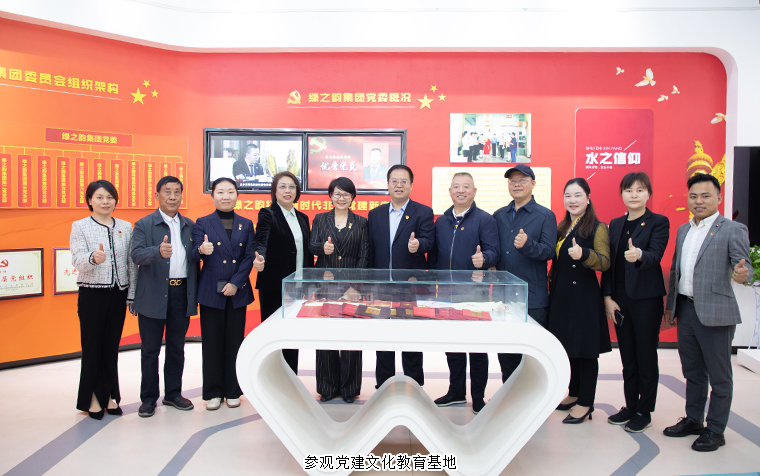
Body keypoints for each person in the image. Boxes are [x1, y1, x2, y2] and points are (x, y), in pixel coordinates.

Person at [662, 174, 752, 452]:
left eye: (705, 196)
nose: (698, 201)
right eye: (693, 196)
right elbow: (676, 271)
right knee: (693, 371)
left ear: (719, 198)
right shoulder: (683, 230)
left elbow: (744, 266)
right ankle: (693, 420)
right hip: (686, 310)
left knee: (720, 376)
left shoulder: (732, 229)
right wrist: (670, 307)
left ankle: (715, 430)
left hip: (716, 313)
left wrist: (742, 274)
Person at [601, 172, 669, 433]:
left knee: (646, 356)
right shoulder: (616, 224)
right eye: (629, 190)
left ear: (648, 194)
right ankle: (630, 406)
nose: (634, 195)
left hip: (646, 301)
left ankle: (644, 410)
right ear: (622, 194)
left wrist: (639, 254)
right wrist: (607, 297)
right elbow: (609, 265)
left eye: (640, 190)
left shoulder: (658, 222)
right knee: (628, 357)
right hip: (620, 301)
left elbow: (655, 255)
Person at [428, 172, 499, 414]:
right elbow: (435, 256)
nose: (461, 190)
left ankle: (478, 398)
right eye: (456, 186)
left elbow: (494, 251)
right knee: (453, 346)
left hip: (474, 293)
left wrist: (484, 258)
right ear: (449, 191)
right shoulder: (441, 221)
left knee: (477, 349)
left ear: (474, 191)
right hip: (446, 294)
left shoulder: (485, 220)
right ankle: (456, 391)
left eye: (466, 186)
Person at [131, 176, 198, 418]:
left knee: (176, 347)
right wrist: (157, 252)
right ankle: (148, 398)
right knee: (150, 350)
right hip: (153, 294)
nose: (172, 196)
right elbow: (136, 255)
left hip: (181, 293)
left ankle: (173, 394)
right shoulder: (144, 224)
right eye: (167, 192)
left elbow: (197, 257)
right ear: (157, 195)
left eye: (177, 192)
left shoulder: (189, 225)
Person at [69, 180, 137, 419]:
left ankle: (109, 395)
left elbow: (131, 264)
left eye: (109, 197)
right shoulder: (80, 226)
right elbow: (77, 260)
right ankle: (92, 398)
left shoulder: (125, 227)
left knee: (110, 347)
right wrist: (93, 258)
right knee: (92, 347)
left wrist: (131, 294)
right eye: (99, 197)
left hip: (118, 294)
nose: (105, 202)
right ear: (90, 200)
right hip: (92, 294)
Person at [548, 178, 611, 424]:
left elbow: (605, 262)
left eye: (577, 195)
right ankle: (573, 393)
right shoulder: (563, 226)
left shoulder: (597, 227)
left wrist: (584, 254)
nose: (572, 200)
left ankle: (586, 402)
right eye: (568, 195)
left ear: (588, 198)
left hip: (584, 297)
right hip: (562, 295)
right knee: (569, 348)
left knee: (586, 351)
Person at [368, 164, 434, 388]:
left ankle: (414, 386)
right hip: (381, 287)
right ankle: (383, 386)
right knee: (383, 340)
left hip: (410, 286)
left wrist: (419, 245)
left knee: (411, 339)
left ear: (411, 185)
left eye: (404, 181)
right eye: (394, 181)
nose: (399, 185)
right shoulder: (375, 214)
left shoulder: (423, 212)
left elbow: (429, 241)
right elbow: (371, 250)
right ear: (387, 185)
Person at [192, 178, 255, 411]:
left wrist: (236, 283)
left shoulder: (246, 223)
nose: (225, 196)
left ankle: (233, 391)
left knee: (235, 341)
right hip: (211, 291)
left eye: (230, 191)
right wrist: (201, 250)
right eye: (220, 192)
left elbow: (248, 257)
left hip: (237, 291)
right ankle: (213, 392)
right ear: (213, 196)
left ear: (237, 195)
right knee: (211, 342)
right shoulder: (202, 222)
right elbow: (193, 253)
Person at [493, 165, 557, 382]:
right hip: (503, 297)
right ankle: (509, 396)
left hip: (533, 297)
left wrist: (528, 244)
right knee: (506, 354)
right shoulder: (499, 215)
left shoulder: (545, 215)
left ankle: (533, 398)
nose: (516, 184)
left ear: (533, 184)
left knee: (532, 355)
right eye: (512, 181)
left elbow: (549, 251)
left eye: (522, 180)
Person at [308, 177, 369, 403]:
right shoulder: (320, 219)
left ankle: (349, 388)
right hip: (326, 284)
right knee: (326, 335)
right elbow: (311, 245)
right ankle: (327, 386)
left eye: (346, 194)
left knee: (351, 337)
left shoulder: (361, 222)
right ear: (330, 196)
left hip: (352, 288)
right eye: (337, 193)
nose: (341, 198)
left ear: (353, 197)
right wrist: (322, 249)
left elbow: (364, 255)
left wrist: (356, 286)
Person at [253, 171, 313, 374]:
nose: (288, 191)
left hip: (298, 288)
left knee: (292, 336)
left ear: (297, 191)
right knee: (273, 337)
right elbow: (261, 240)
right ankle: (270, 379)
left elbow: (307, 251)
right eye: (282, 186)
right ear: (274, 191)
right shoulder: (267, 214)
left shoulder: (303, 218)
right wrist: (259, 257)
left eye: (292, 186)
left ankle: (290, 378)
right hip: (274, 286)